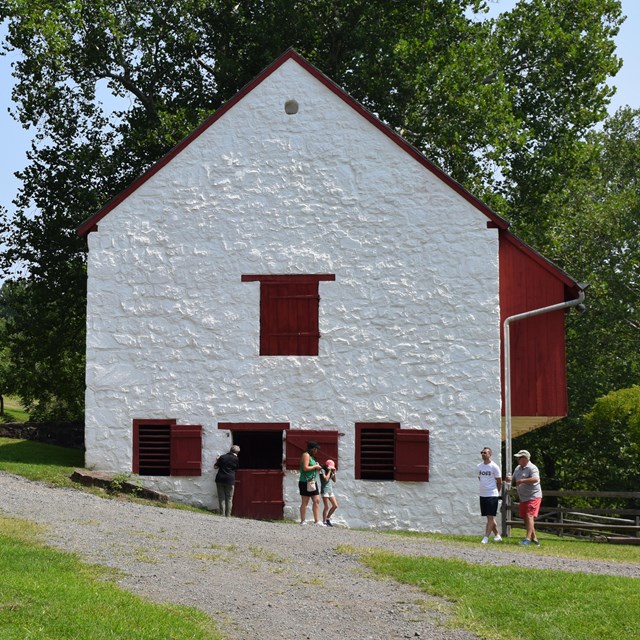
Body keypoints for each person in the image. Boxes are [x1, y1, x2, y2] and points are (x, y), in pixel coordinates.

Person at [512, 449, 542, 546]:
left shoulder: (532, 468)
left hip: (533, 496)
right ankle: (535, 539)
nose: (517, 460)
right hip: (523, 497)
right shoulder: (518, 468)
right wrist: (510, 480)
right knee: (525, 518)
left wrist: (523, 481)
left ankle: (527, 539)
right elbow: (514, 481)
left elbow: (536, 479)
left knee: (529, 516)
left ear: (525, 458)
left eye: (519, 458)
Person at [477, 447, 503, 544]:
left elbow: (499, 481)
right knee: (489, 517)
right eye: (482, 452)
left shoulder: (494, 467)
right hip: (483, 494)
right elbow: (480, 478)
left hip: (492, 494)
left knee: (490, 517)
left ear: (490, 454)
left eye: (485, 452)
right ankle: (497, 535)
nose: (483, 454)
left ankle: (486, 538)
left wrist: (497, 492)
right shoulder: (479, 466)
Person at [299, 441, 324, 526]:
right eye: (316, 449)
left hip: (312, 481)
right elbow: (305, 468)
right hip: (305, 481)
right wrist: (315, 466)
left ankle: (317, 521)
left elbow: (311, 468)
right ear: (313, 449)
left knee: (316, 500)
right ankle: (303, 521)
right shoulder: (306, 455)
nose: (317, 451)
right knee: (305, 502)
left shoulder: (312, 457)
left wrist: (317, 468)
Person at [214, 444, 240, 517]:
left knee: (221, 497)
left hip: (220, 478)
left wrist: (217, 459)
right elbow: (236, 468)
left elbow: (215, 467)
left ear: (230, 450)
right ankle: (228, 515)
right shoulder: (236, 459)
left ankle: (221, 514)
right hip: (230, 480)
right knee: (229, 498)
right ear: (237, 452)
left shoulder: (222, 457)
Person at [320, 459, 339, 526]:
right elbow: (325, 479)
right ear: (327, 466)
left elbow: (334, 480)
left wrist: (334, 473)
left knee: (335, 505)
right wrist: (329, 471)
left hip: (330, 491)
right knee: (327, 506)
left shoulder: (330, 472)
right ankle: (324, 521)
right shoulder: (322, 470)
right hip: (324, 490)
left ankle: (328, 518)